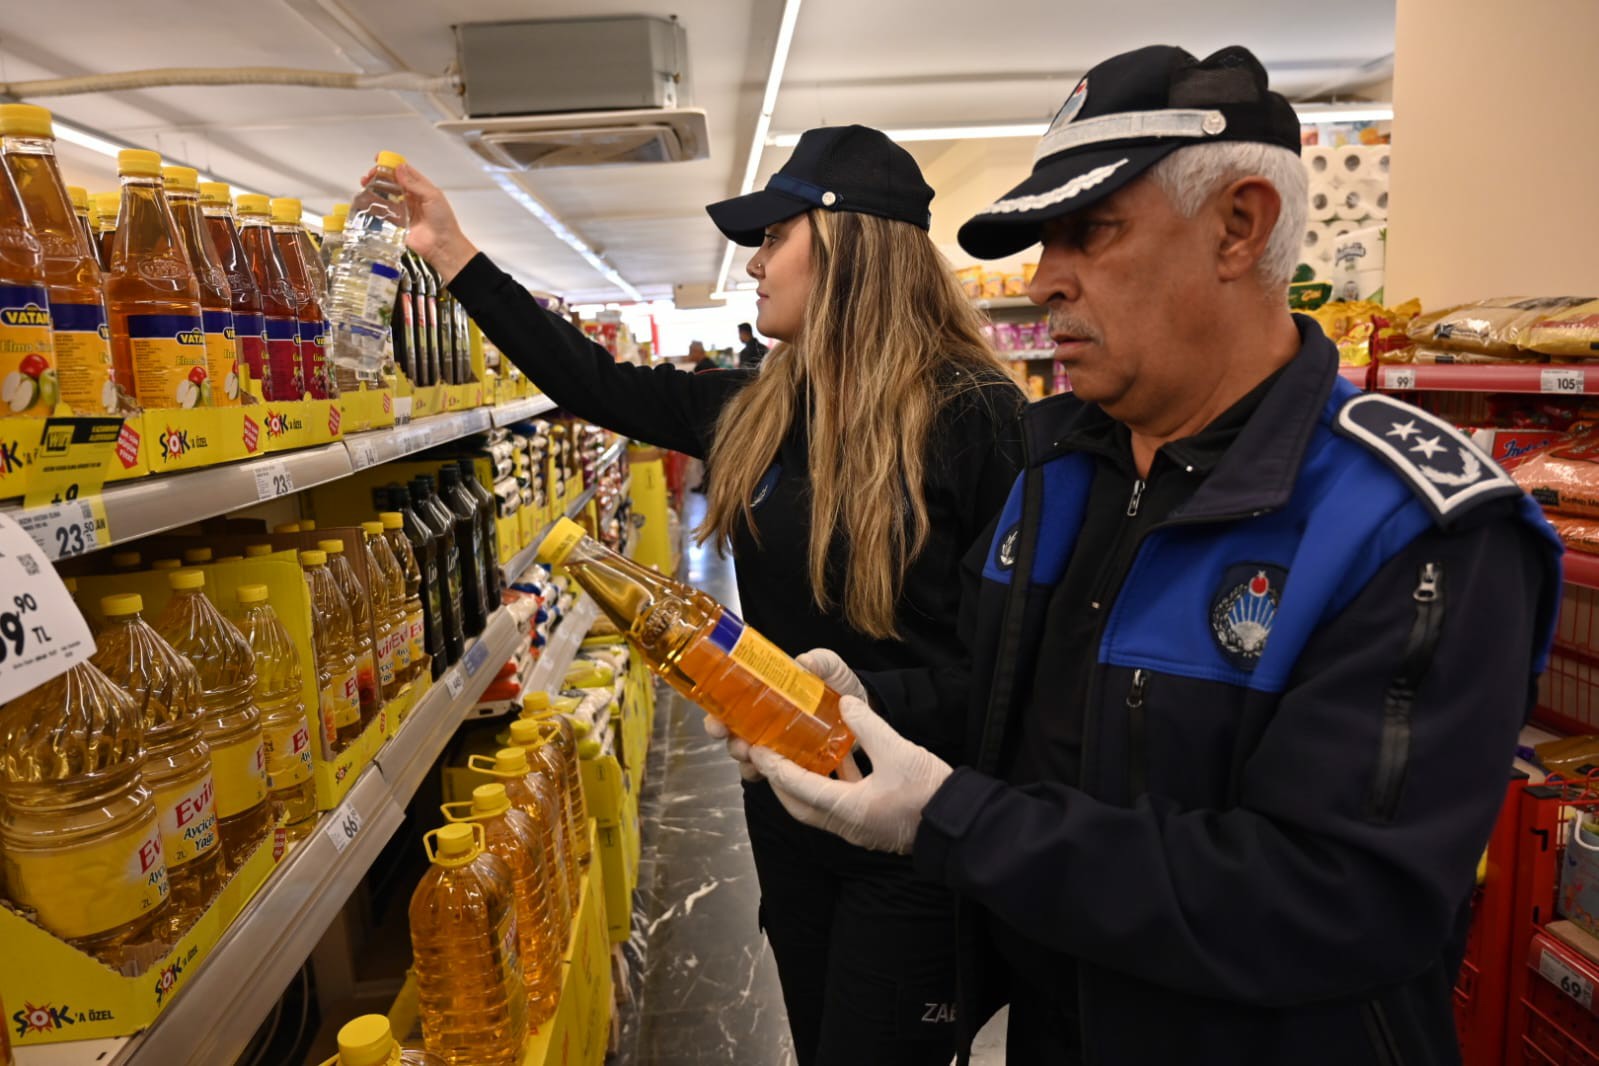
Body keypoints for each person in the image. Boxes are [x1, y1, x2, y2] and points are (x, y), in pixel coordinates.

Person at [744, 45, 1563, 1066]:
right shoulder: (1054, 468)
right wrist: (866, 700)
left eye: (1092, 231)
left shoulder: (1413, 528)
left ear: (1239, 226)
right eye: (1044, 241)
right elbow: (1022, 709)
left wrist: (951, 817)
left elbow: (1337, 900)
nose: (1045, 280)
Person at [382, 125, 1026, 1065]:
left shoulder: (977, 415)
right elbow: (588, 380)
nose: (754, 261)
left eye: (774, 237)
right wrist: (454, 254)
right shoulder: (754, 409)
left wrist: (858, 704)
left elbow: (1011, 668)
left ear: (848, 246)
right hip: (784, 812)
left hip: (912, 829)